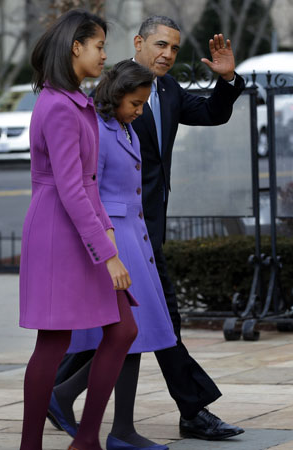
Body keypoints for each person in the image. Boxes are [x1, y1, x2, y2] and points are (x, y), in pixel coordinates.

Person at [52, 15, 246, 442]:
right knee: (146, 323)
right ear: (138, 43)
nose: (168, 55)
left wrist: (228, 79)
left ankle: (62, 393)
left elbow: (213, 112)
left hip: (146, 229)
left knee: (132, 325)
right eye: (160, 45)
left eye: (175, 49)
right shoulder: (111, 92)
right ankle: (185, 411)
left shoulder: (170, 90)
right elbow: (87, 180)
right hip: (117, 234)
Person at [20, 10, 139, 450]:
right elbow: (70, 188)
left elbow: (86, 185)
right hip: (57, 232)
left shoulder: (73, 101)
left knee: (123, 329)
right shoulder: (57, 106)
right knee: (53, 341)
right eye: (100, 46)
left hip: (79, 228)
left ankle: (86, 439)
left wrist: (107, 233)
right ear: (76, 47)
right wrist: (107, 253)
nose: (105, 55)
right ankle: (33, 445)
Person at [47, 60, 175, 450]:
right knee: (129, 333)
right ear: (116, 95)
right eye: (135, 103)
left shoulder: (123, 126)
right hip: (115, 239)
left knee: (135, 334)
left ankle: (83, 405)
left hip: (134, 237)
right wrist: (106, 251)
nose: (139, 111)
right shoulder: (97, 130)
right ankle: (111, 424)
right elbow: (90, 192)